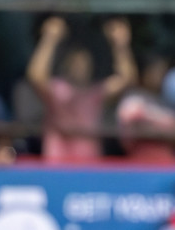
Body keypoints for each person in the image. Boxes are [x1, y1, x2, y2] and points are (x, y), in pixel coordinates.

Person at [26, 16, 133, 161]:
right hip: (57, 160)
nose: (80, 67)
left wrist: (120, 45)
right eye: (76, 63)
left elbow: (126, 79)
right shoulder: (58, 90)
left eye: (84, 63)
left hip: (89, 162)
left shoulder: (96, 92)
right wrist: (49, 40)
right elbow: (36, 76)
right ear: (67, 65)